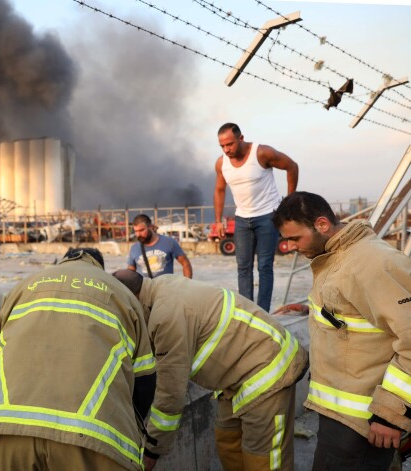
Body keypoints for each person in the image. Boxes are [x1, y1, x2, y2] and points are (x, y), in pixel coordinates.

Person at [0, 248, 157, 471]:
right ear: (99, 266)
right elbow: (144, 381)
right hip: (93, 440)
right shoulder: (120, 293)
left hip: (4, 432)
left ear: (66, 259)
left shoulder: (24, 286)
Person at [113, 269, 308, 471]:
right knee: (227, 439)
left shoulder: (166, 316)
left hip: (268, 368)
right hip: (236, 376)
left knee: (262, 458)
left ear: (130, 300)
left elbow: (170, 395)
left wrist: (152, 450)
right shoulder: (160, 285)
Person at [273, 191, 411, 471]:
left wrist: (390, 414)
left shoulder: (371, 263)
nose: (290, 247)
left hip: (364, 421)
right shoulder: (338, 255)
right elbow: (358, 312)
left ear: (322, 224)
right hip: (343, 415)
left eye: (295, 238)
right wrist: (313, 310)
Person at [214, 122, 298, 312]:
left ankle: (262, 313)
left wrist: (289, 202)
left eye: (230, 144)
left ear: (241, 138)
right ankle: (247, 312)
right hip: (242, 219)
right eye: (222, 146)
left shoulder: (262, 153)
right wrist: (218, 220)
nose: (227, 149)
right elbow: (219, 190)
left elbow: (292, 166)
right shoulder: (222, 163)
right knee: (243, 267)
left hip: (268, 216)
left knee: (264, 266)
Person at [127, 214, 192, 279]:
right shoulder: (134, 248)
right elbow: (131, 270)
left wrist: (187, 284)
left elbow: (185, 263)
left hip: (165, 287)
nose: (138, 234)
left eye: (141, 230)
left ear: (150, 227)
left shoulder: (169, 242)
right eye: (136, 231)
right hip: (144, 288)